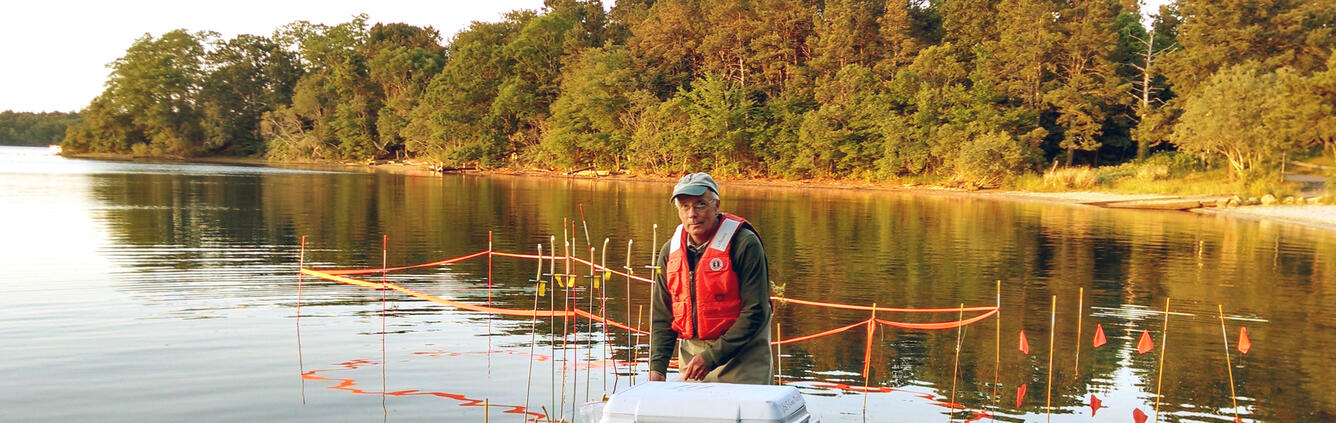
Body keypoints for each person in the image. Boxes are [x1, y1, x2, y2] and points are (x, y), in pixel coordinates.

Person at [648, 172, 773, 384]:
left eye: (700, 205)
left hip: (743, 358)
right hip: (692, 360)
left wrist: (711, 358)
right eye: (684, 206)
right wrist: (657, 368)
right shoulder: (670, 250)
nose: (692, 214)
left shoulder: (745, 244)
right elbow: (662, 315)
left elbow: (755, 311)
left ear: (716, 206)